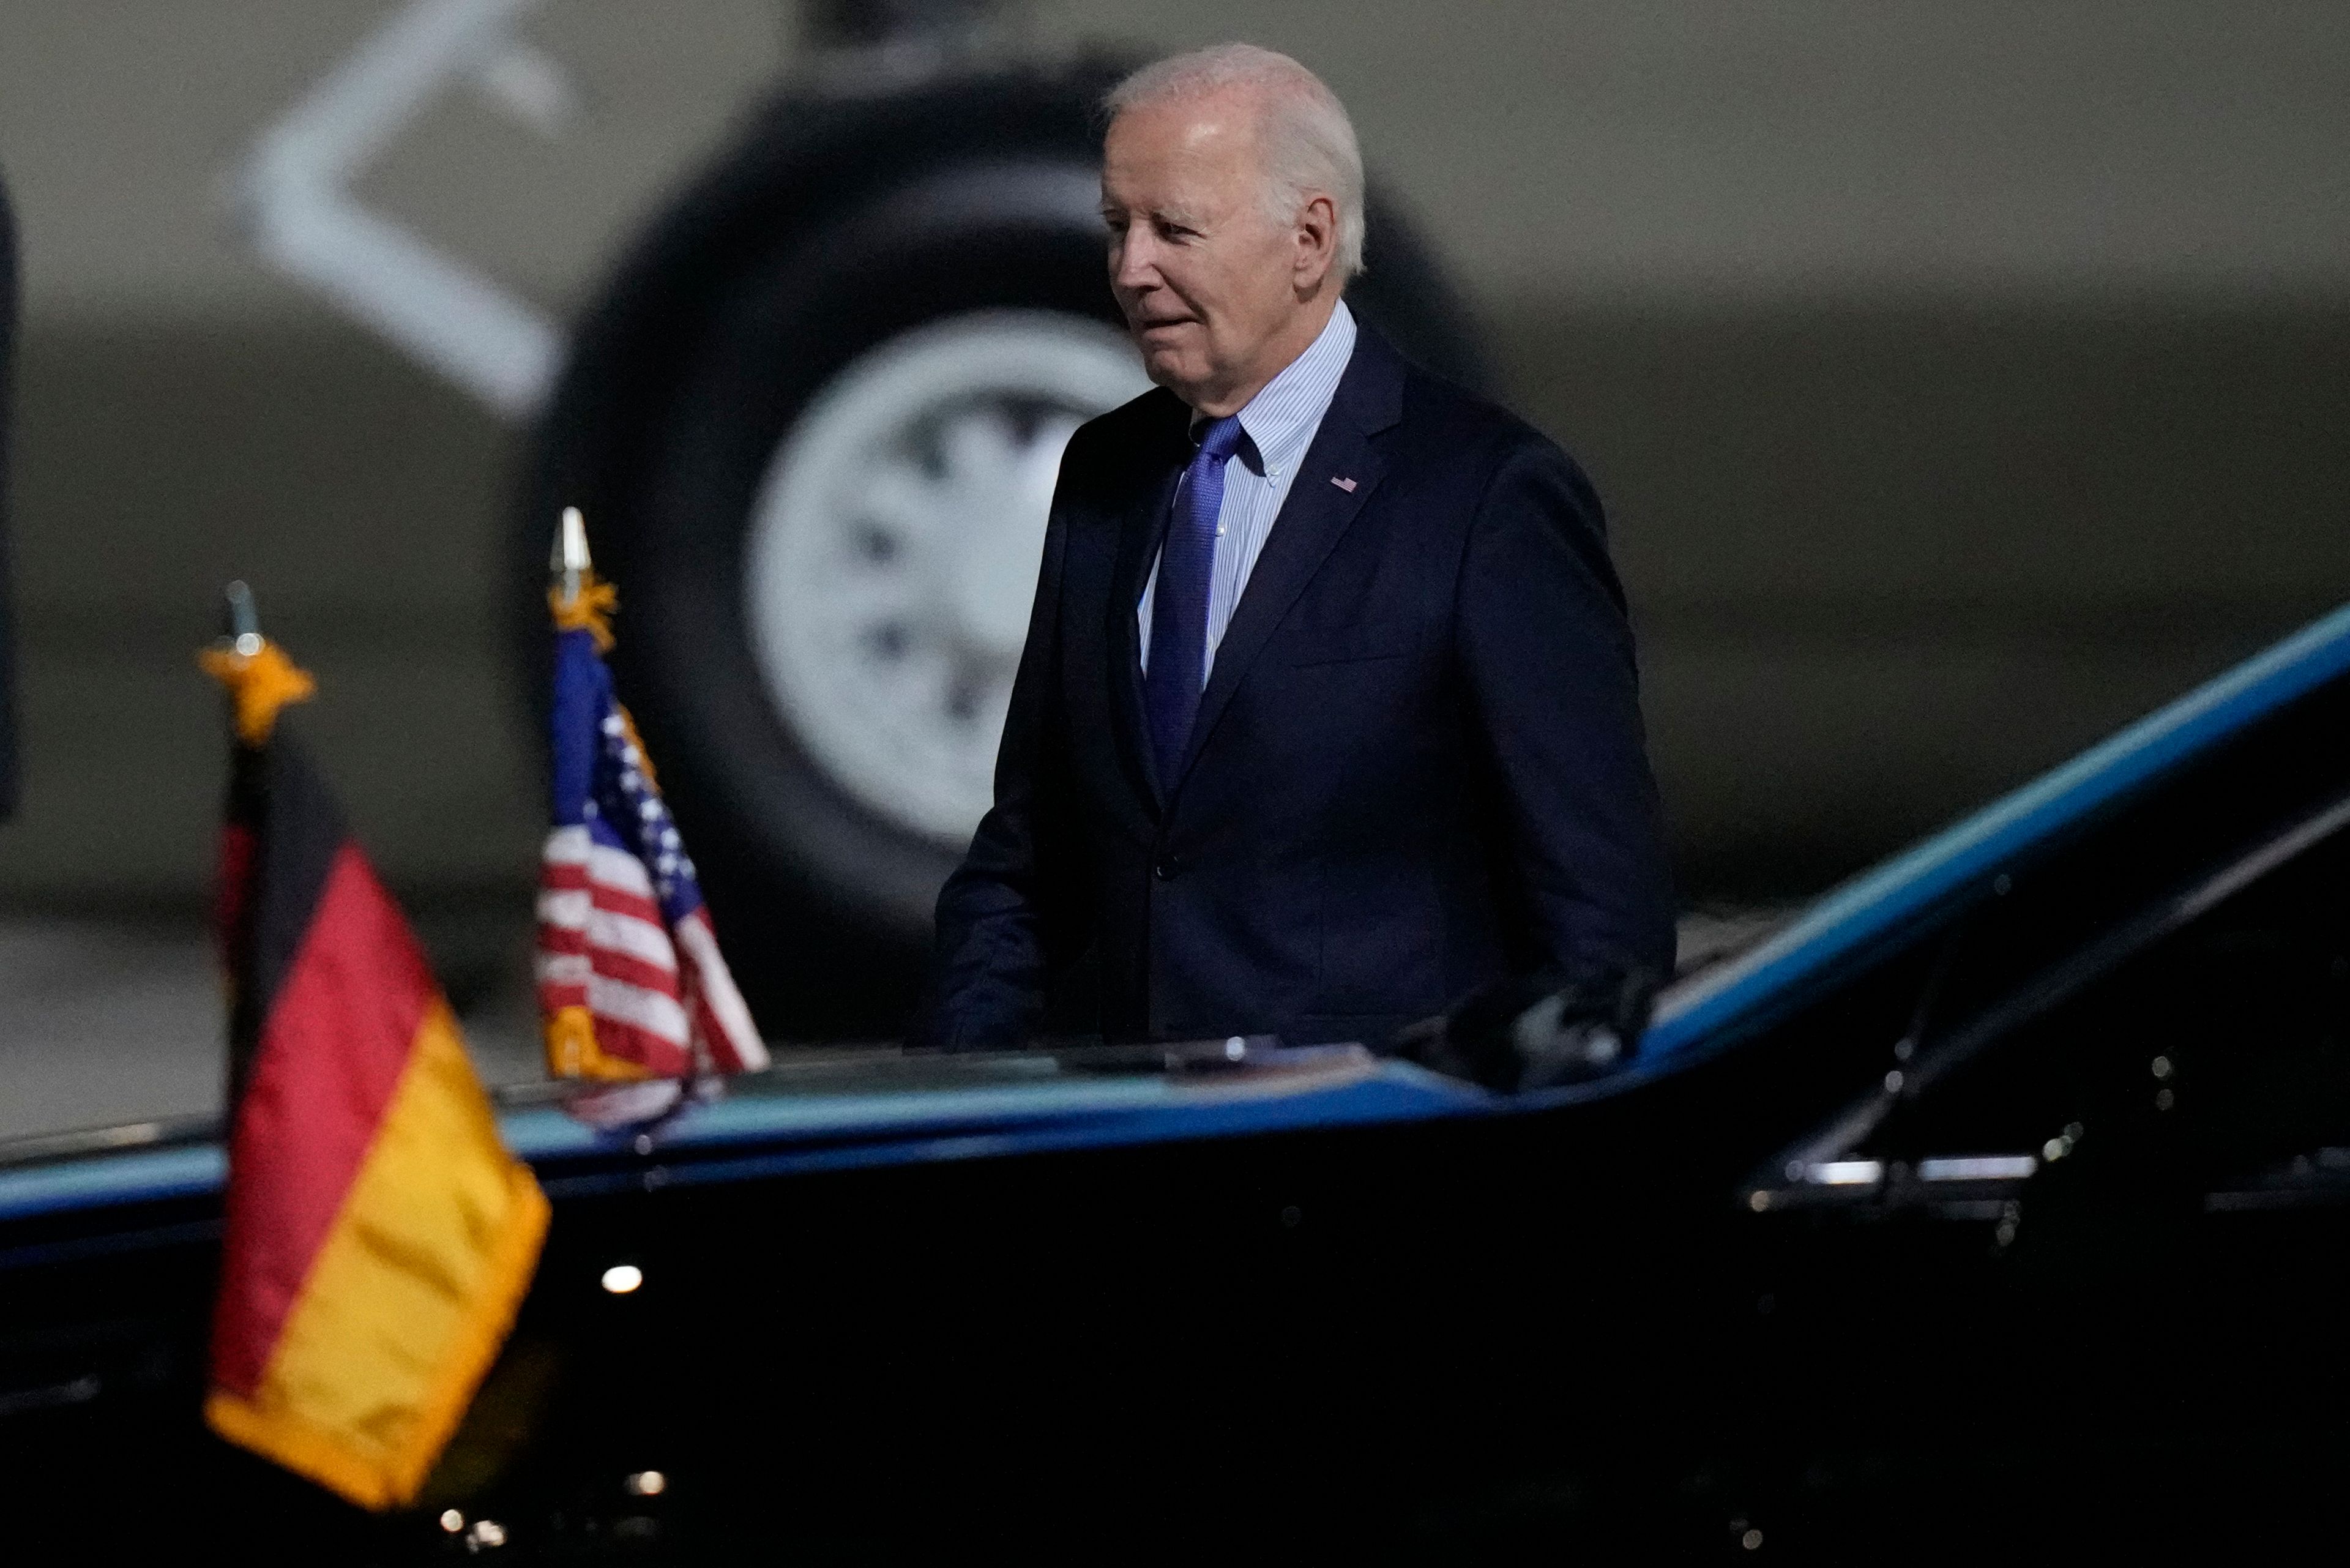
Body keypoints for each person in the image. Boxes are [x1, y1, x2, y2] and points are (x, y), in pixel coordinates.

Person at [924, 43, 1673, 1051]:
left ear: (1309, 239)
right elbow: (1029, 862)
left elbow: (1599, 918)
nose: (1131, 269)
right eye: (1118, 227)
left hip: (1366, 1148)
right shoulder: (1105, 475)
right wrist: (962, 1096)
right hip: (1124, 1138)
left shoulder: (1486, 496)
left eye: (1173, 230)